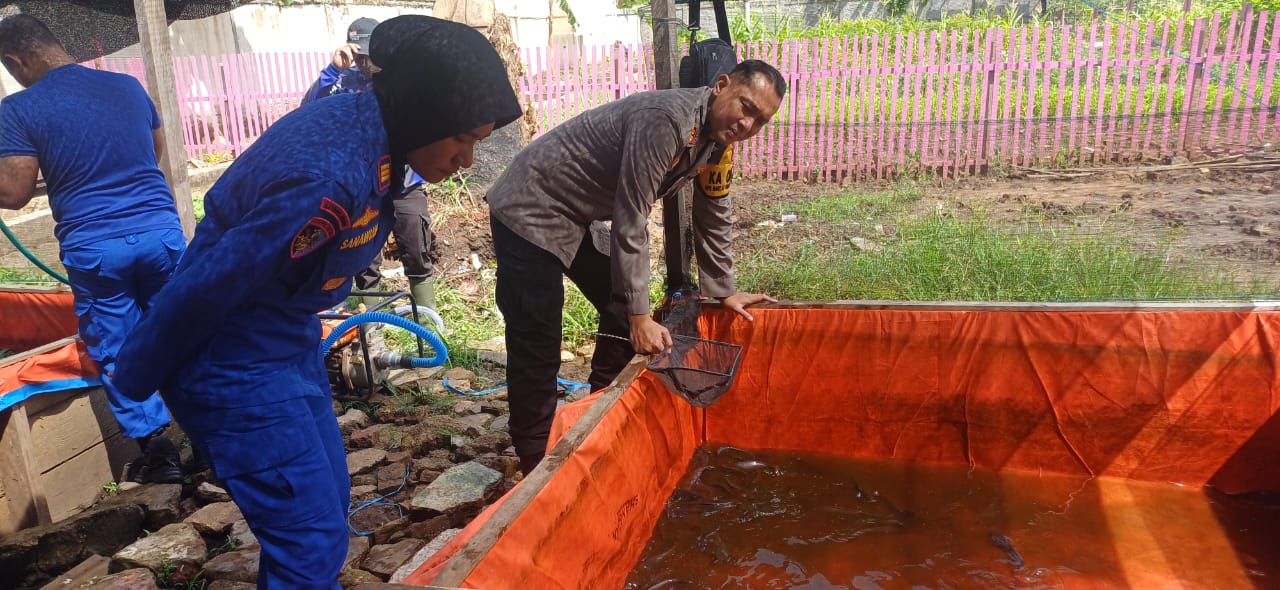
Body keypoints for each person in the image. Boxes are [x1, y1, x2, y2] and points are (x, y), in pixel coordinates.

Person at [111, 16, 520, 588]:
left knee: (329, 498)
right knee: (309, 542)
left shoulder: (377, 130)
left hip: (287, 342)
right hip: (233, 360)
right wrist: (137, 373)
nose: (467, 161)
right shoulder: (329, 175)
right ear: (426, 112)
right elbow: (212, 282)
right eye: (463, 139)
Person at [486, 60, 786, 474]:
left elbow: (714, 209)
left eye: (760, 120)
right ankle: (536, 461)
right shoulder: (665, 122)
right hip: (530, 203)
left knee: (619, 299)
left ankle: (598, 414)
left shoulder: (717, 141)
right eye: (745, 106)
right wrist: (641, 316)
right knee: (539, 335)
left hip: (574, 212)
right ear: (721, 86)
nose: (747, 123)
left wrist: (723, 289)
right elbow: (632, 220)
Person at [0, 14, 184, 484]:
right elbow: (156, 148)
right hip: (161, 234)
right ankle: (214, 438)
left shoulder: (19, 108)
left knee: (117, 346)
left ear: (15, 61)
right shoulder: (126, 87)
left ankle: (161, 457)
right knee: (184, 328)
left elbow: (15, 191)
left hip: (97, 248)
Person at [304, 16, 438, 310]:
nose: (365, 64)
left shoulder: (403, 80)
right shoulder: (343, 82)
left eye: (371, 55)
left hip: (404, 183)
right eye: (360, 55)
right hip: (364, 187)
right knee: (363, 254)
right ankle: (371, 324)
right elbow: (311, 111)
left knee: (416, 248)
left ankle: (429, 325)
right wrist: (332, 70)